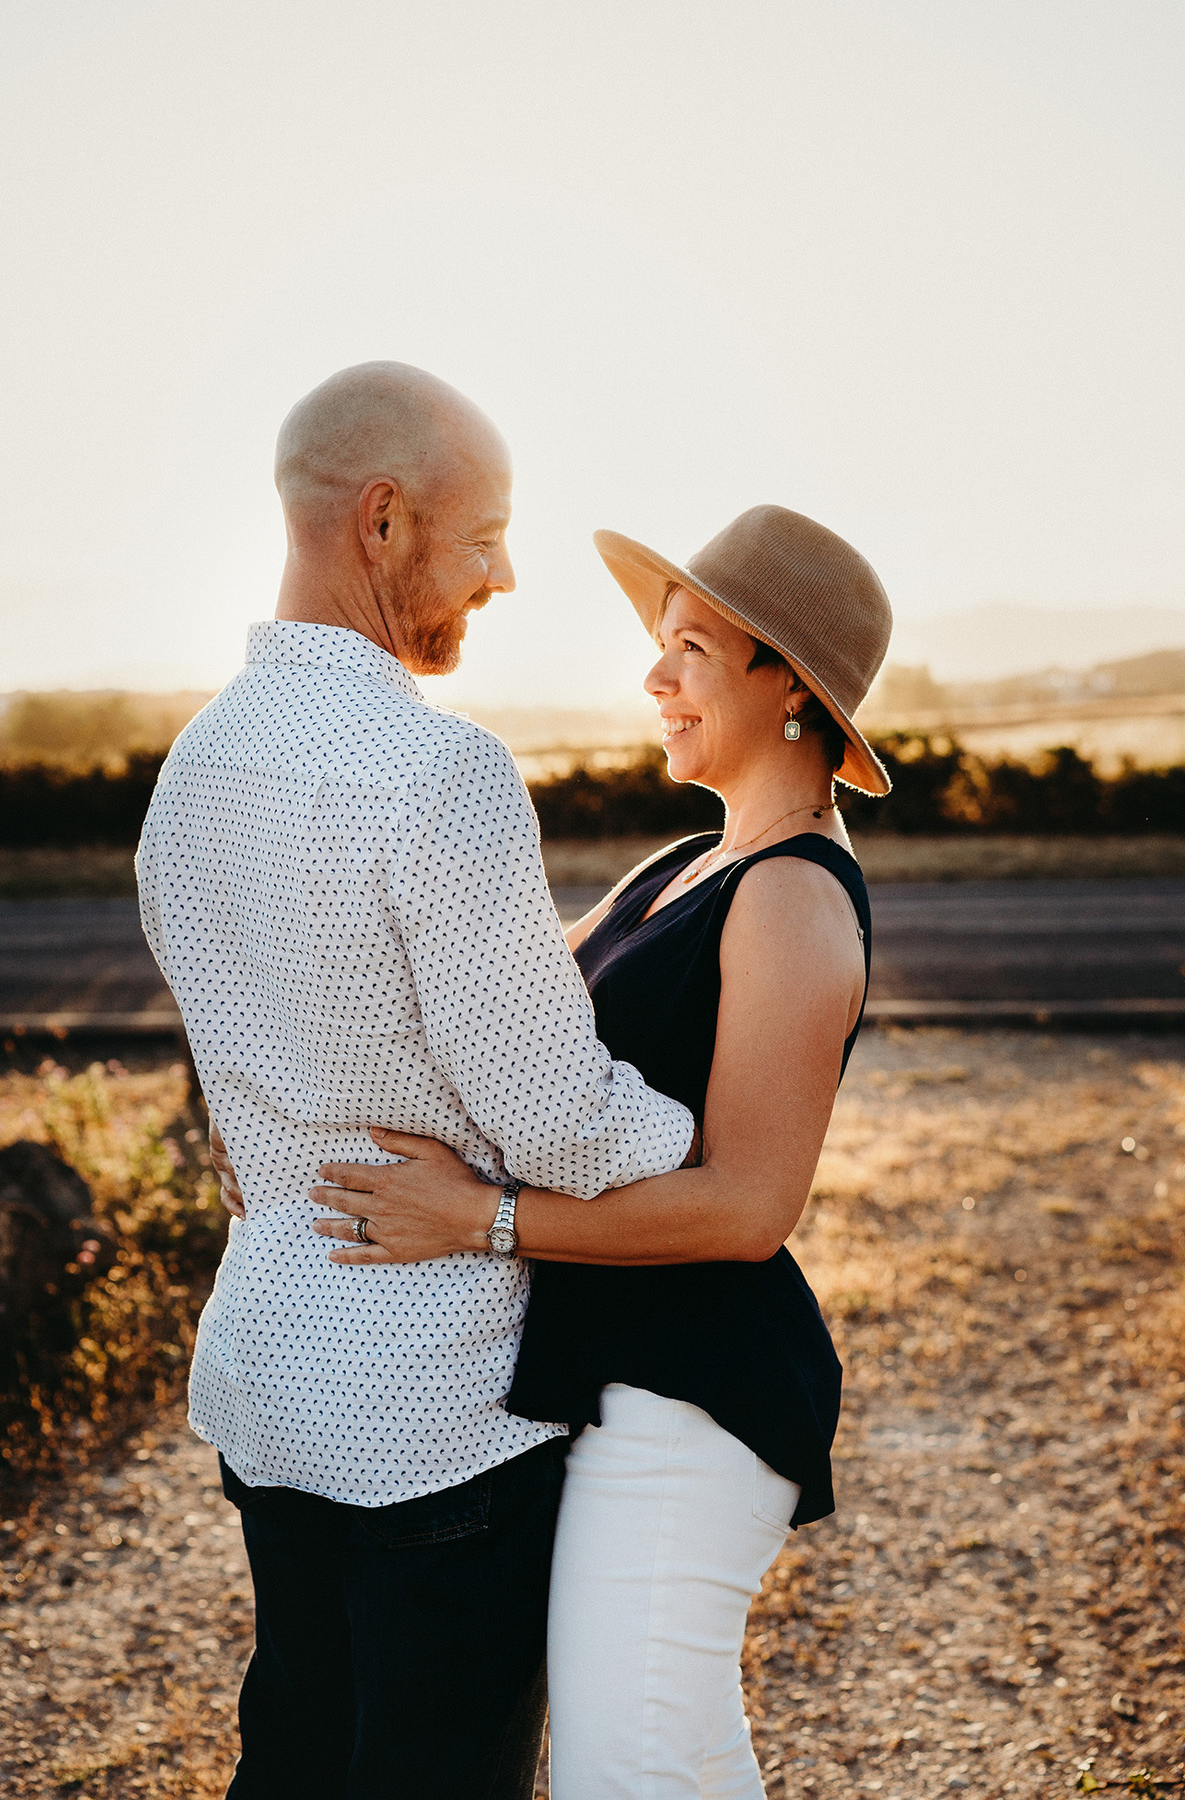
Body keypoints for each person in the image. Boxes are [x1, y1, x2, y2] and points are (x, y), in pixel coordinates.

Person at [135, 362, 699, 1800]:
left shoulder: (192, 768)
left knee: (302, 1751)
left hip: (266, 1370)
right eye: (485, 533)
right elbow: (560, 1119)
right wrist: (699, 1133)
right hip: (432, 1409)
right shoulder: (437, 772)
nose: (506, 575)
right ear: (381, 523)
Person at [302, 504, 893, 1797]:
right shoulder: (691, 863)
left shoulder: (792, 896)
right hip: (627, 1375)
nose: (654, 677)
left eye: (690, 647)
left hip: (699, 1394)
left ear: (788, 683)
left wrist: (482, 1220)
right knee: (657, 1755)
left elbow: (748, 1207)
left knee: (630, 1763)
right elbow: (484, 1017)